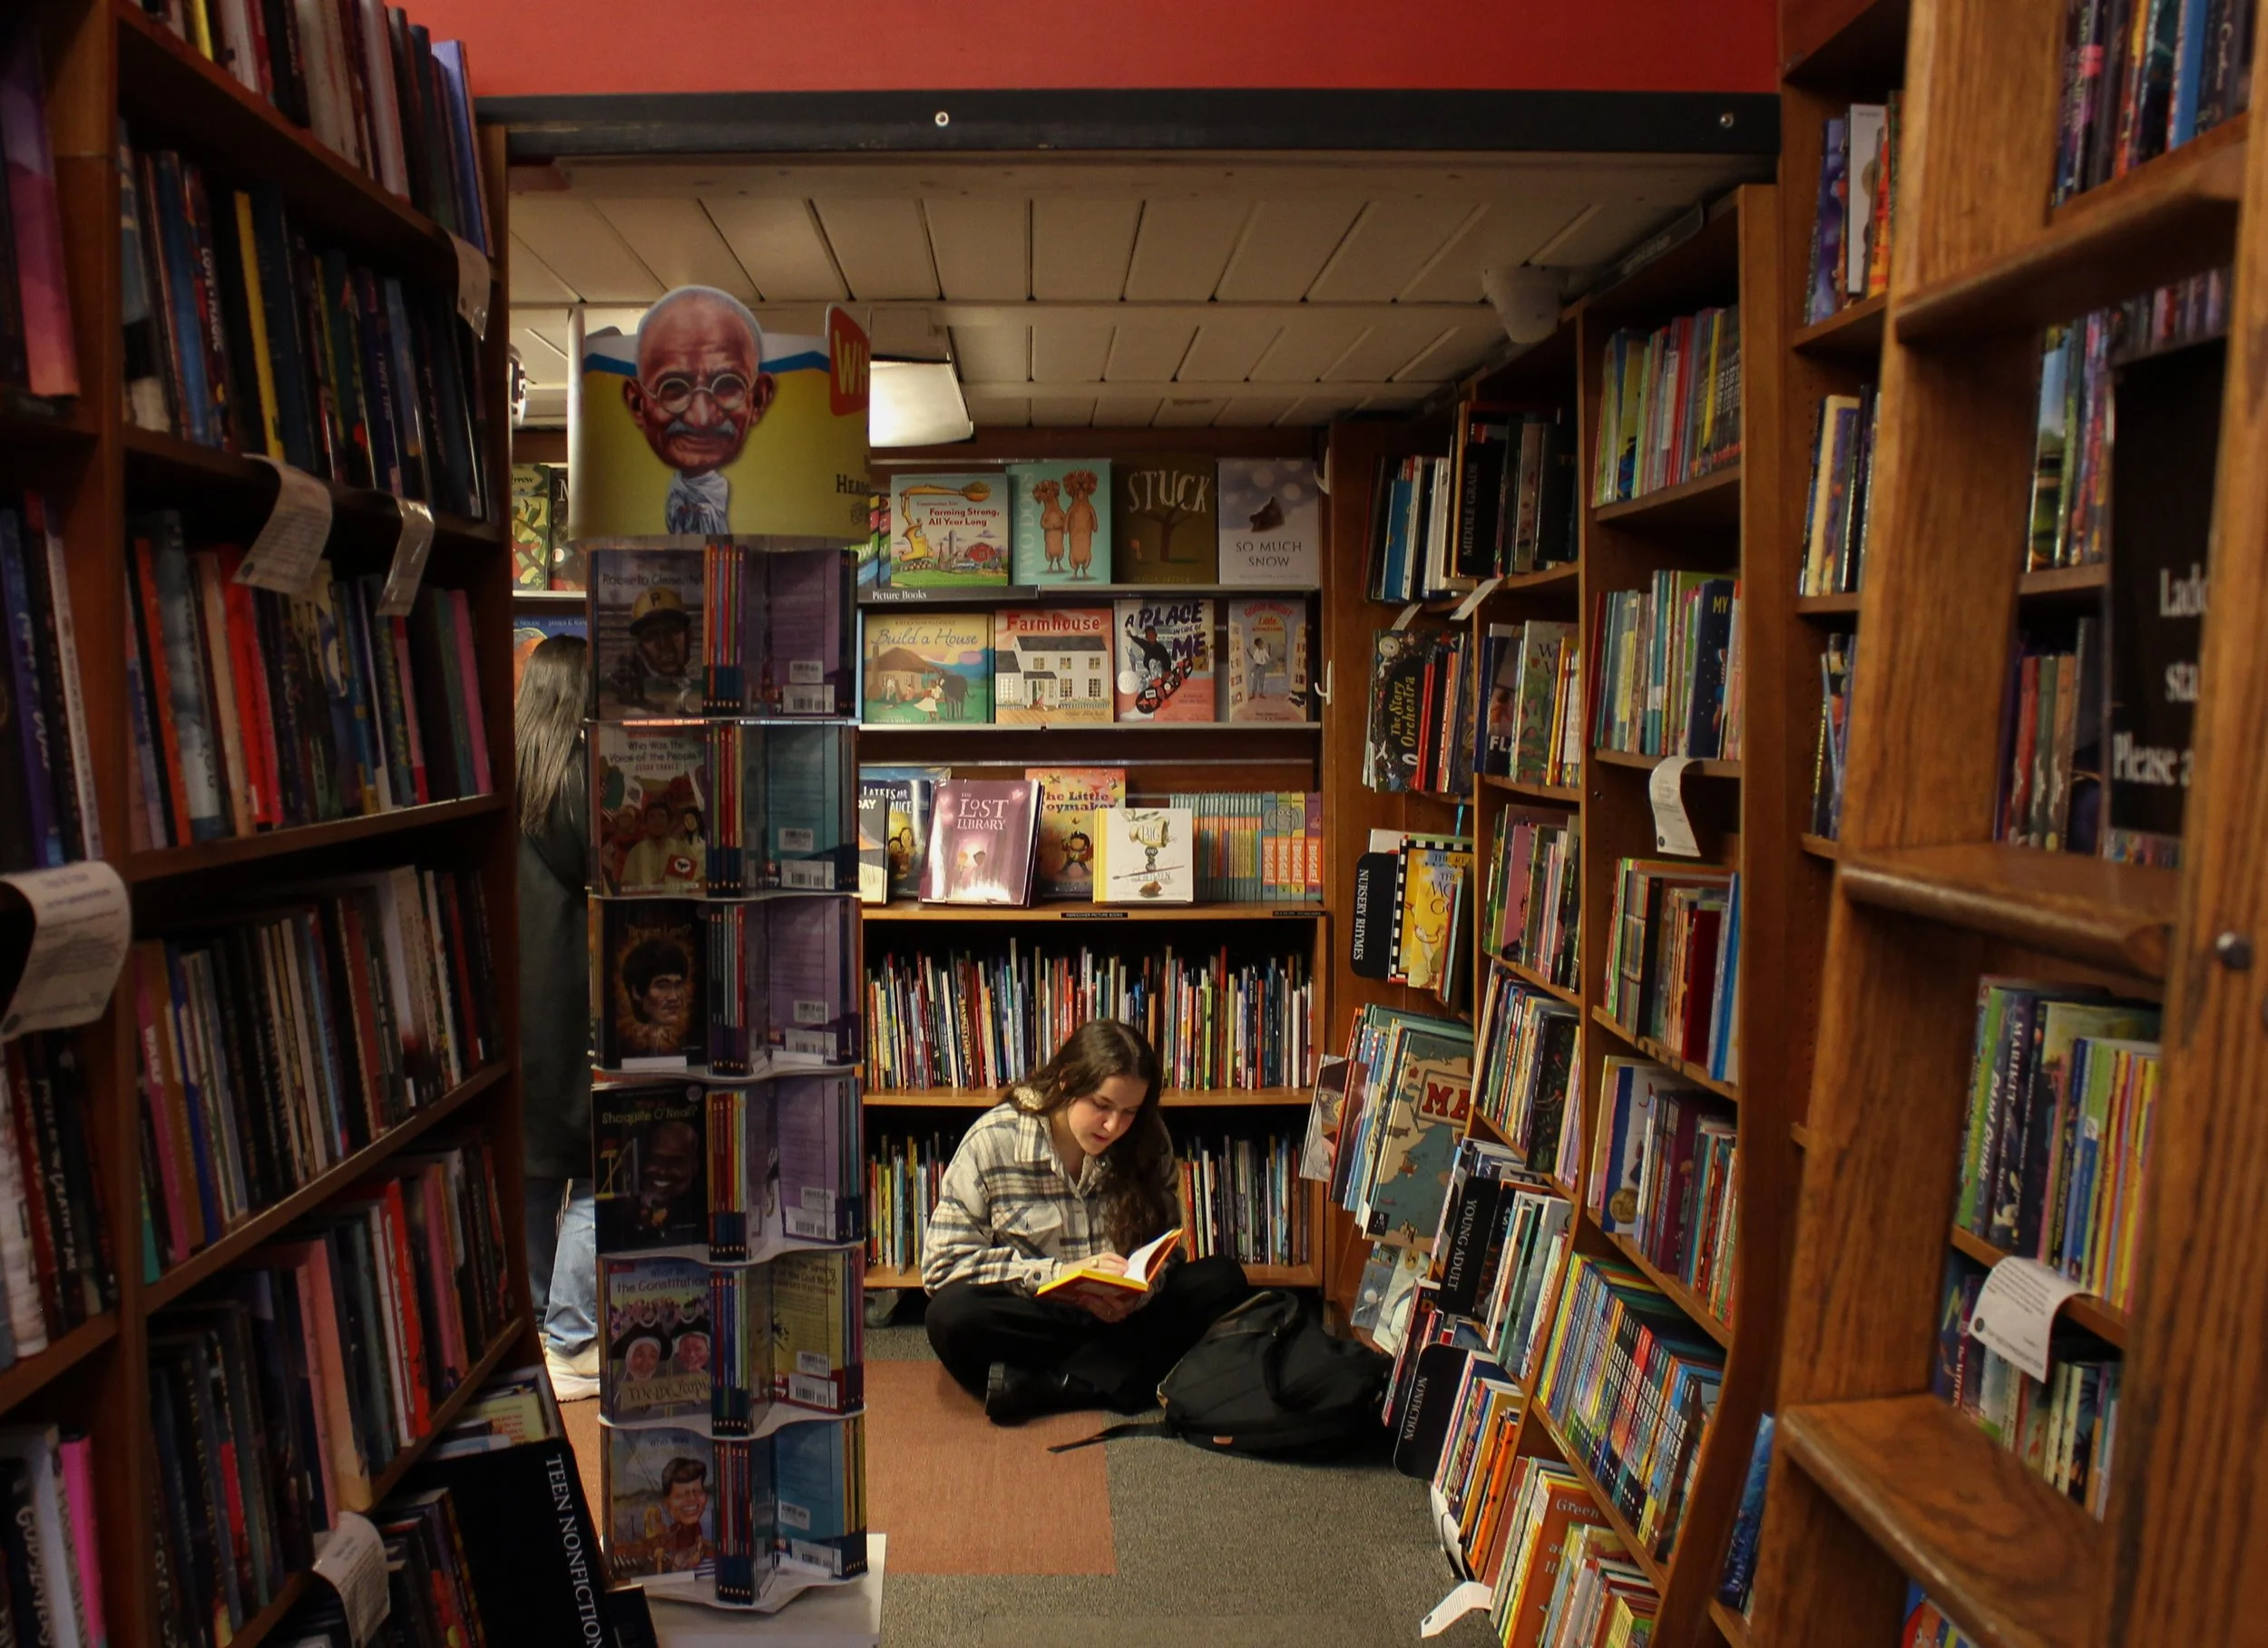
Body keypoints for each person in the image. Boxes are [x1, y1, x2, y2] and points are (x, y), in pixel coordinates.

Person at [922, 1019, 1248, 1425]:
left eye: (1129, 1111)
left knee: (1223, 1279)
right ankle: (1121, 1379)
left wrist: (1137, 1294)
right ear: (1066, 1082)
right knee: (950, 1315)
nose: (1114, 1126)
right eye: (1101, 1105)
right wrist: (1060, 1276)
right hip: (1042, 1314)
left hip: (1123, 1319)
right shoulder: (994, 1140)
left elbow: (1166, 1250)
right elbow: (942, 1266)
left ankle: (1047, 1387)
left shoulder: (1147, 1138)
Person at [516, 636, 601, 1399]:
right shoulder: (580, 776)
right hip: (572, 994)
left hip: (513, 1003)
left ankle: (537, 1329)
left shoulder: (505, 773)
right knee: (603, 1165)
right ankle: (572, 1337)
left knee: (534, 1171)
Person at [621, 287, 777, 535]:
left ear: (758, 399)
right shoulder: (629, 508)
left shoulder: (778, 505)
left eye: (727, 386)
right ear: (637, 402)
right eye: (674, 388)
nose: (701, 419)